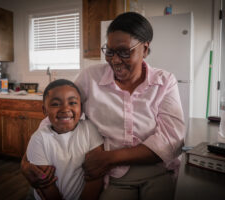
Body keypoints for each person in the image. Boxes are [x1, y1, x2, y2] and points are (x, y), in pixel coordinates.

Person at [22, 12, 185, 200]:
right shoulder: (91, 77)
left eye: (124, 51)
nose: (115, 60)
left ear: (145, 49)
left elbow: (171, 140)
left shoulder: (165, 82)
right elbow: (62, 115)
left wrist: (110, 158)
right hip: (112, 175)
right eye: (109, 51)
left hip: (157, 170)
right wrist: (27, 160)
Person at [25, 79, 104, 200]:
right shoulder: (39, 138)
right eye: (56, 104)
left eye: (72, 103)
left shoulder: (90, 130)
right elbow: (47, 186)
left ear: (81, 108)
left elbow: (96, 176)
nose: (65, 109)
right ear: (44, 110)